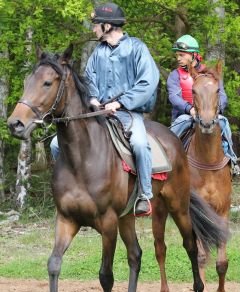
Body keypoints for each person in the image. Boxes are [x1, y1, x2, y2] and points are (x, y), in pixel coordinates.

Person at [50, 2, 160, 215]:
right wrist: (92, 99)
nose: (93, 29)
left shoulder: (137, 48)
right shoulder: (97, 53)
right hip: (97, 113)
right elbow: (89, 81)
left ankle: (145, 195)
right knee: (56, 144)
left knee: (139, 143)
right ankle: (72, 187)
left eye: (96, 24)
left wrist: (120, 102)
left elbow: (148, 81)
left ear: (107, 26)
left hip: (127, 112)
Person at [167, 34, 240, 176]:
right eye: (177, 55)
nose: (178, 59)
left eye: (181, 55)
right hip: (185, 115)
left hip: (209, 114)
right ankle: (171, 162)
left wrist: (215, 110)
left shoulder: (211, 74)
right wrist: (190, 109)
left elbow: (222, 96)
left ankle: (231, 158)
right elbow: (174, 97)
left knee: (224, 123)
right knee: (177, 128)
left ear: (194, 55)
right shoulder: (175, 75)